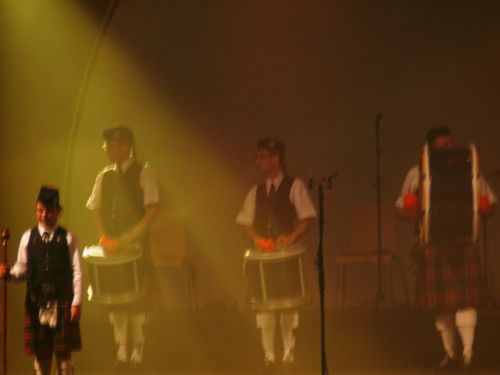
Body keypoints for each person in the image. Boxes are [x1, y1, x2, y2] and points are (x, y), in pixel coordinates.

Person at [395, 126, 496, 372]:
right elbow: (400, 208)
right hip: (433, 244)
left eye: (450, 144)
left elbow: (489, 204)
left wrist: (485, 207)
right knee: (442, 306)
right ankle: (451, 355)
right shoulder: (418, 172)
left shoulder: (469, 170)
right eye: (442, 146)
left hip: (463, 242)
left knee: (465, 302)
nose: (447, 149)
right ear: (430, 148)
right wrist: (410, 208)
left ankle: (468, 354)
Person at [236, 138, 316, 373]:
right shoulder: (256, 191)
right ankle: (269, 356)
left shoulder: (295, 185)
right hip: (263, 258)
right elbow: (245, 223)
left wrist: (291, 237)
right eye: (257, 157)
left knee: (288, 306)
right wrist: (256, 239)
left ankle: (289, 353)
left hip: (286, 256)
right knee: (265, 309)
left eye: (262, 157)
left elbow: (308, 217)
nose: (257, 161)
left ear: (276, 159)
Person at [86, 125, 159, 369]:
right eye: (106, 144)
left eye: (112, 144)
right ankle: (122, 353)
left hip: (135, 246)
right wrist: (104, 236)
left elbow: (152, 209)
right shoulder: (103, 175)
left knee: (138, 299)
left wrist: (133, 235)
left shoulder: (143, 171)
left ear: (125, 146)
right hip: (112, 249)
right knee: (117, 300)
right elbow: (94, 209)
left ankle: (138, 353)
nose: (107, 149)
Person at [0, 186, 82, 375]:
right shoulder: (28, 238)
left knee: (64, 357)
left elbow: (78, 271)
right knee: (41, 355)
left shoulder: (68, 239)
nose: (44, 215)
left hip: (63, 302)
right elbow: (22, 269)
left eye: (49, 211)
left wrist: (77, 302)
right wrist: (10, 274)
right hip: (36, 303)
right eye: (40, 210)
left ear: (58, 211)